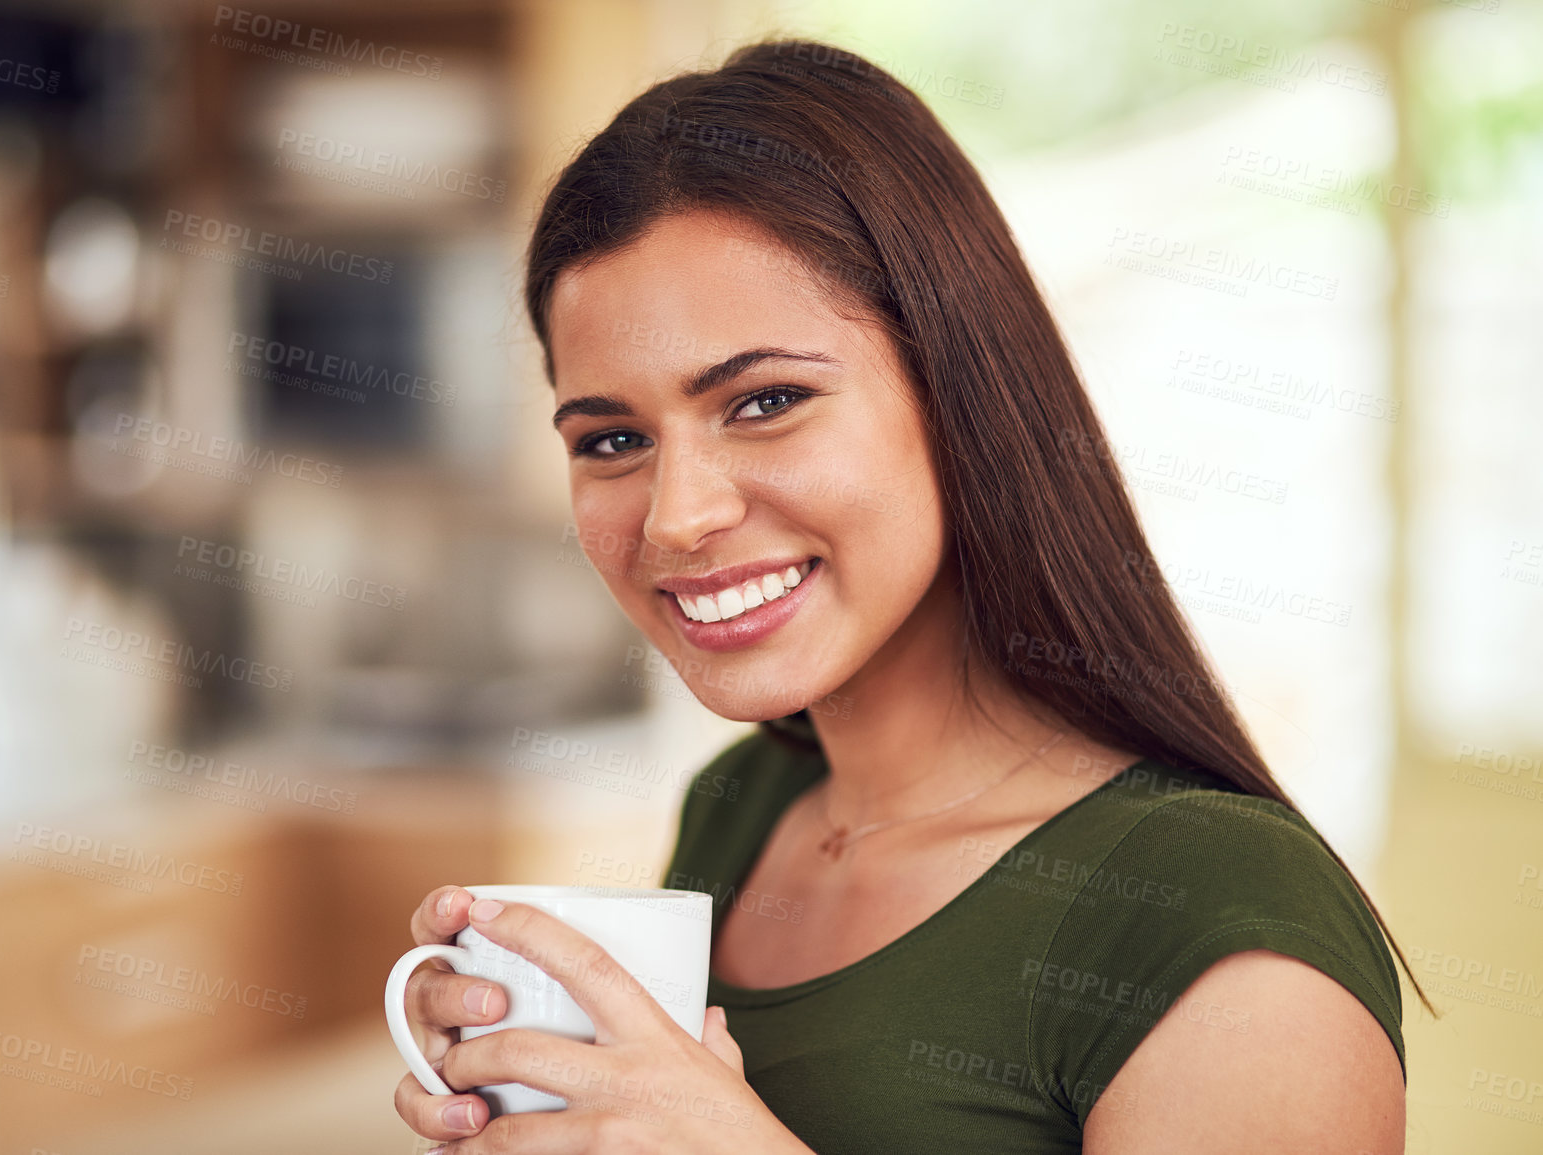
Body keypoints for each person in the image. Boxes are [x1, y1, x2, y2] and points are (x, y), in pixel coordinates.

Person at [393, 38, 1423, 1153]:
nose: (676, 515)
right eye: (613, 438)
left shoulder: (1210, 909)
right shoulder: (742, 807)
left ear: (959, 391)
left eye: (765, 400)